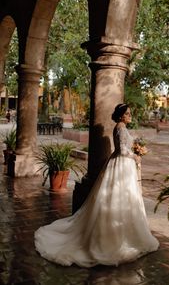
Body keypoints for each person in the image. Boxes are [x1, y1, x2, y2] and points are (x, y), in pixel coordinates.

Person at [34, 103, 159, 267]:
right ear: (121, 115)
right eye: (127, 113)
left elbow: (124, 147)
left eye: (130, 113)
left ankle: (125, 233)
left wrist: (136, 150)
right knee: (118, 197)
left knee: (125, 197)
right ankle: (113, 238)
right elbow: (122, 150)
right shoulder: (120, 128)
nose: (130, 115)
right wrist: (135, 156)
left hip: (123, 165)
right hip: (121, 164)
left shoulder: (121, 127)